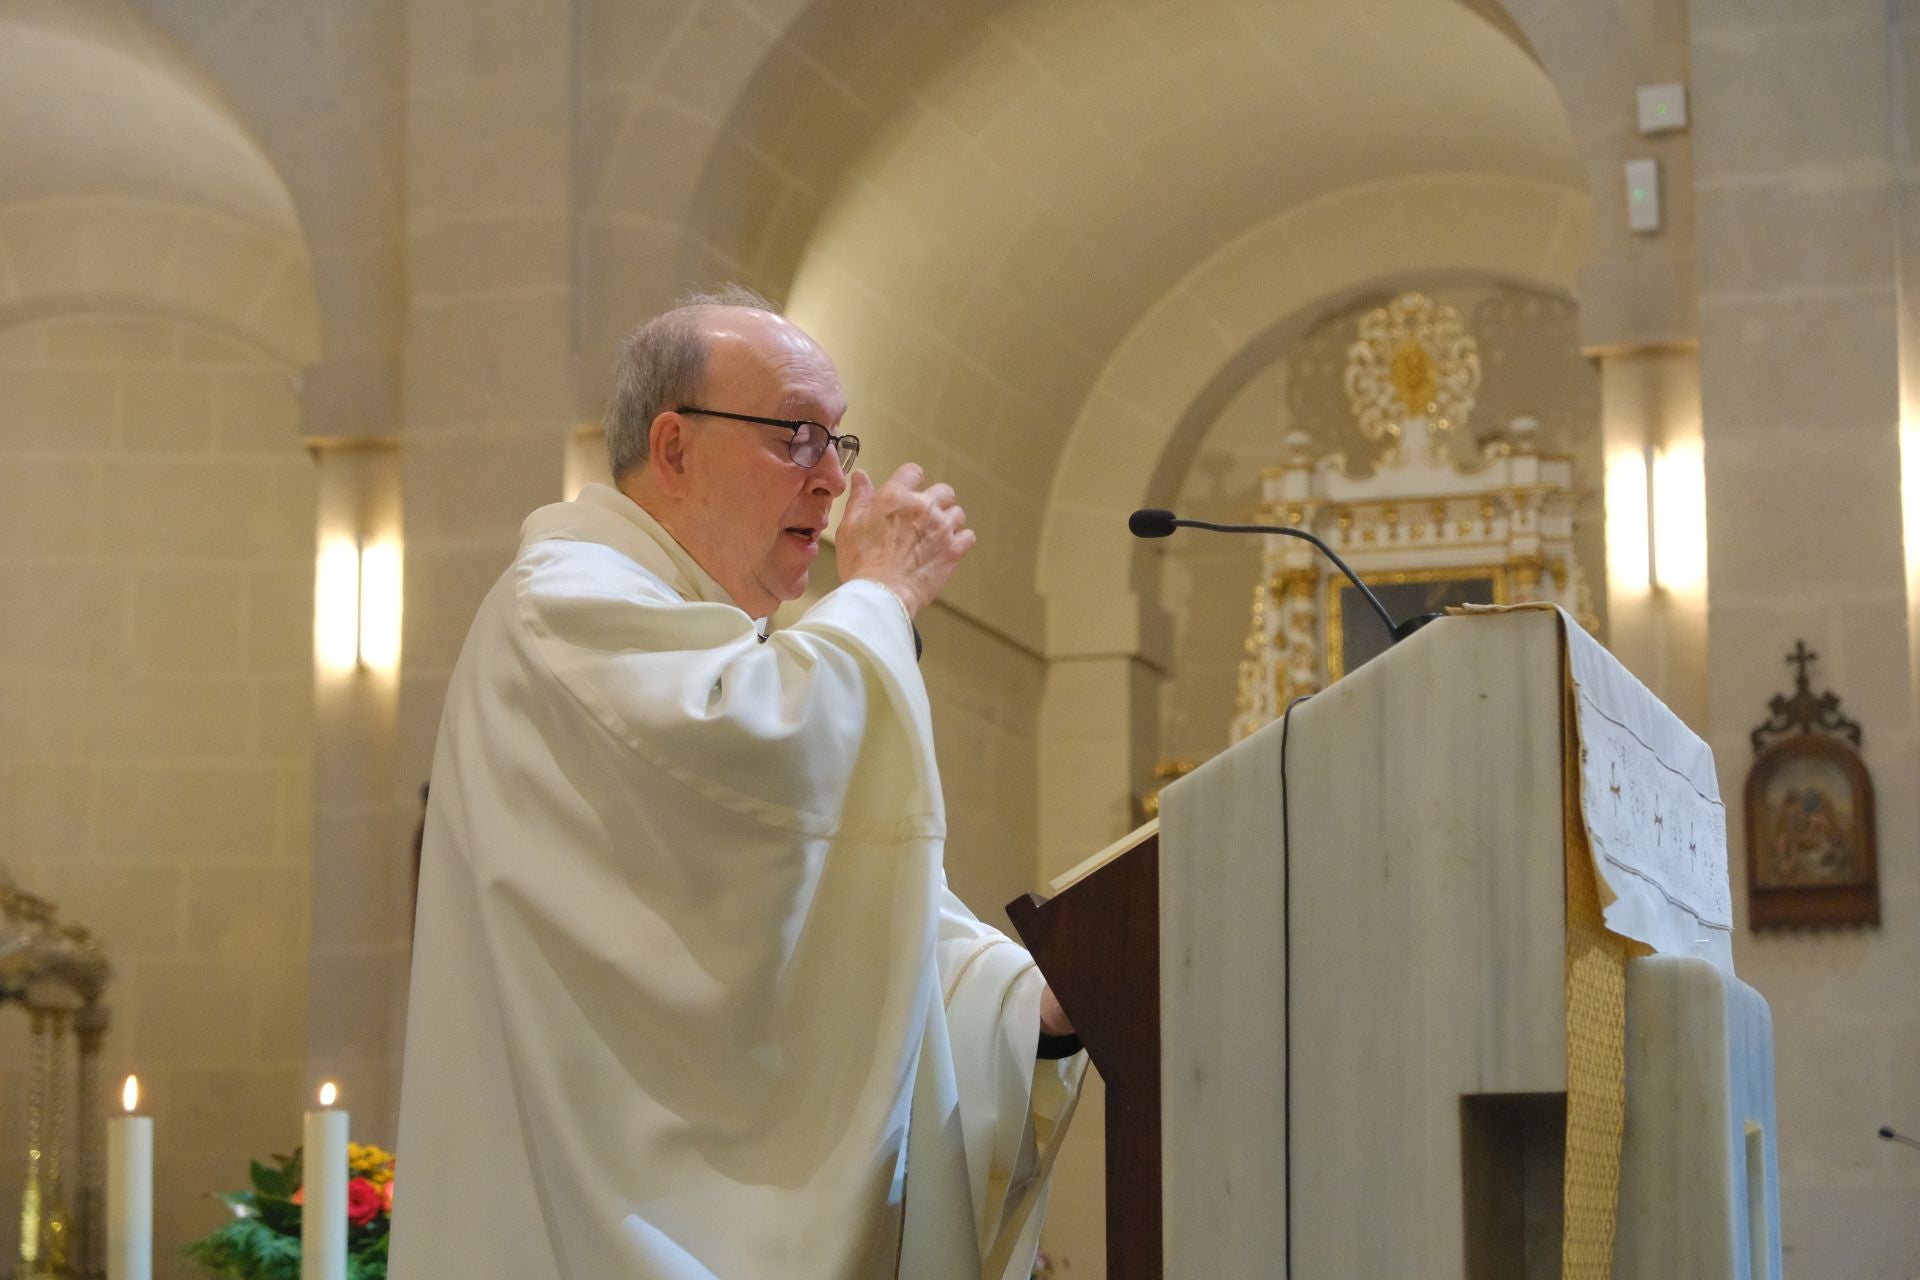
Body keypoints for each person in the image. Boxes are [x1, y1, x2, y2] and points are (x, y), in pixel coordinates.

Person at [390, 287, 1083, 1280]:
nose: (833, 483)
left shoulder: (693, 635)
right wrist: (881, 594)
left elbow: (836, 908)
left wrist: (1028, 1007)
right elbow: (776, 742)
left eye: (840, 444)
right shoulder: (567, 604)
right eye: (798, 436)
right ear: (672, 448)